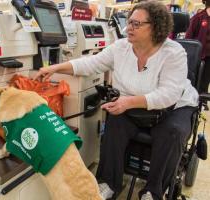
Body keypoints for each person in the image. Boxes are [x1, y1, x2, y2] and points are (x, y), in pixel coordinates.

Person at [34, 1, 199, 200]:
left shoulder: (173, 53)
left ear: (156, 27)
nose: (128, 28)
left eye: (136, 24)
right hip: (133, 103)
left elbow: (169, 94)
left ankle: (152, 192)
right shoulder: (121, 47)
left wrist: (127, 103)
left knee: (172, 133)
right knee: (115, 123)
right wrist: (54, 68)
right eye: (129, 22)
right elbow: (90, 63)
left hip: (173, 107)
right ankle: (109, 183)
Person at [186, 0, 210, 95]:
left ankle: (202, 97)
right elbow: (188, 39)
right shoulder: (198, 18)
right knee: (197, 82)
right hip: (200, 57)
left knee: (205, 81)